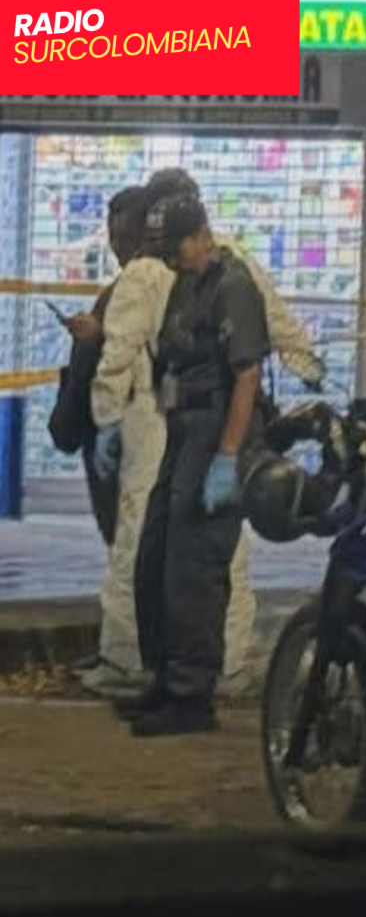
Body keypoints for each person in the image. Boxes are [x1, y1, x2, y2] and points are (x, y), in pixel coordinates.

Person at [129, 194, 271, 736]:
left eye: (175, 246)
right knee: (156, 556)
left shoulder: (233, 285)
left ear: (201, 235)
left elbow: (247, 376)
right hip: (182, 429)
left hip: (217, 431)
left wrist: (228, 457)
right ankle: (165, 678)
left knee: (193, 567)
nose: (169, 258)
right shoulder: (186, 283)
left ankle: (191, 695)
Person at [48, 187, 145, 549]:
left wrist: (98, 336)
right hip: (103, 433)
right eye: (114, 237)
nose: (119, 248)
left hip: (136, 437)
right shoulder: (114, 293)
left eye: (128, 238)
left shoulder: (155, 289)